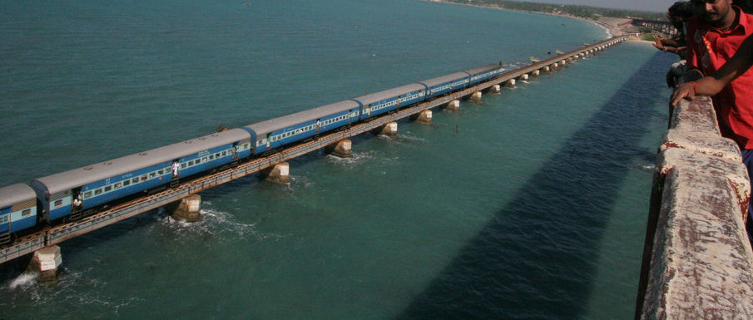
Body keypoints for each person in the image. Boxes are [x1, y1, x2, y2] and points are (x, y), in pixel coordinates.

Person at [672, 0, 753, 237]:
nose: (707, 8)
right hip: (727, 133)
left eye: (713, 0)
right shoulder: (696, 27)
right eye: (700, 1)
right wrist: (693, 84)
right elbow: (715, 80)